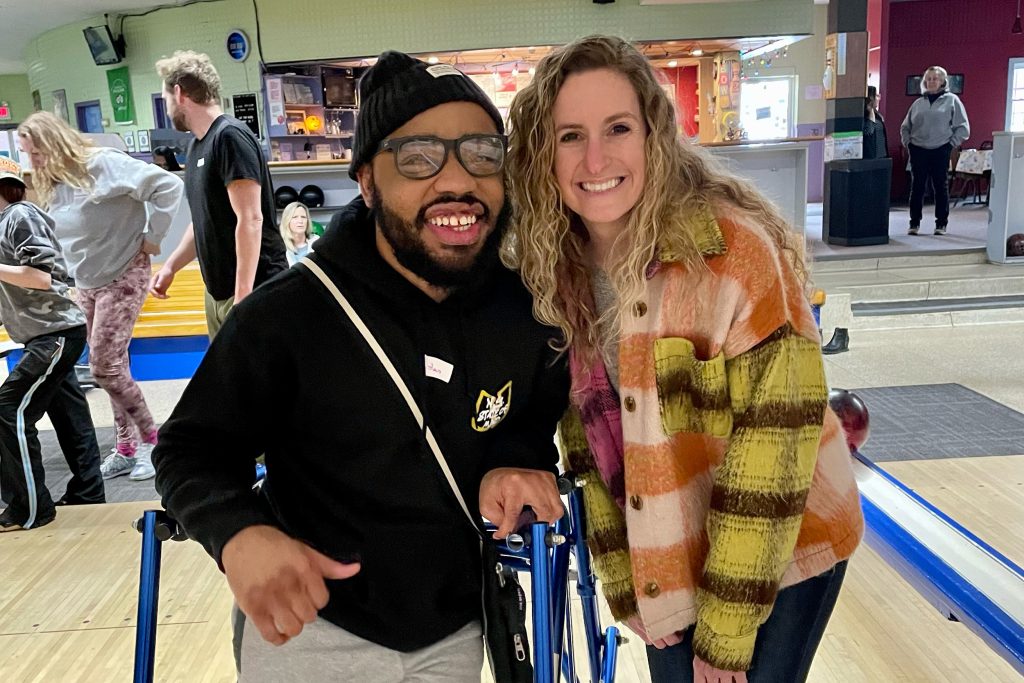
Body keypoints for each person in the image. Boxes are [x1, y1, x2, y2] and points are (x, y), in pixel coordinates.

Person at [152, 50, 569, 682]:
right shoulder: (290, 316)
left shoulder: (525, 312)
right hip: (312, 629)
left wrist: (521, 456)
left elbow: (534, 410)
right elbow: (190, 447)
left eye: (482, 153)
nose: (457, 180)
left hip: (458, 627)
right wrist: (237, 533)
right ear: (368, 182)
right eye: (418, 156)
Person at [506, 36, 864, 683]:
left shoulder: (733, 252)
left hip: (785, 542)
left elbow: (774, 455)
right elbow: (587, 448)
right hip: (669, 538)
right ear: (543, 153)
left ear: (653, 135)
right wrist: (626, 582)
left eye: (617, 127)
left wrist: (725, 634)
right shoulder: (555, 272)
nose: (595, 158)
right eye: (569, 136)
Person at [18, 112, 184, 481]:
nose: (33, 162)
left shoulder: (103, 164)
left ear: (53, 142)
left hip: (124, 272)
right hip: (88, 281)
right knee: (113, 367)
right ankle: (125, 446)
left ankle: (153, 441)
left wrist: (153, 237)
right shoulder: (56, 182)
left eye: (36, 152)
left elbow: (168, 187)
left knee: (104, 367)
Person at [151, 51, 288, 338]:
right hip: (217, 292)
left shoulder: (230, 137)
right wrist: (171, 267)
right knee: (229, 380)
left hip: (253, 289)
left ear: (179, 93)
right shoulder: (197, 146)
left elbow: (251, 219)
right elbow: (204, 221)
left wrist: (242, 297)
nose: (166, 109)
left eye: (165, 100)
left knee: (262, 381)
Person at [0, 159, 105, 530]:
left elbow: (40, 277)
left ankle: (29, 508)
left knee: (8, 409)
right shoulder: (7, 222)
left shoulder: (19, 215)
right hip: (48, 332)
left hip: (55, 334)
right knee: (70, 416)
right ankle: (88, 494)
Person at [900, 65, 970, 236]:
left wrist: (950, 144)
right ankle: (914, 223)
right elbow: (905, 127)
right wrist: (908, 143)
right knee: (917, 188)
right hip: (918, 150)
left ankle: (941, 224)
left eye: (935, 78)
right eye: (929, 79)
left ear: (942, 81)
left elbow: (963, 128)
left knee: (940, 187)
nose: (932, 82)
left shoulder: (952, 100)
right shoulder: (918, 103)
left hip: (940, 149)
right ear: (925, 82)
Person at [278, 201, 317, 266]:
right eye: (295, 217)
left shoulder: (316, 243)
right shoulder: (279, 247)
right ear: (287, 220)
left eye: (303, 217)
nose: (300, 221)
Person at [862, 86, 889, 160]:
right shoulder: (864, 115)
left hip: (882, 156)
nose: (879, 98)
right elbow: (869, 132)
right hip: (871, 158)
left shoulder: (878, 115)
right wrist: (870, 110)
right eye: (877, 96)